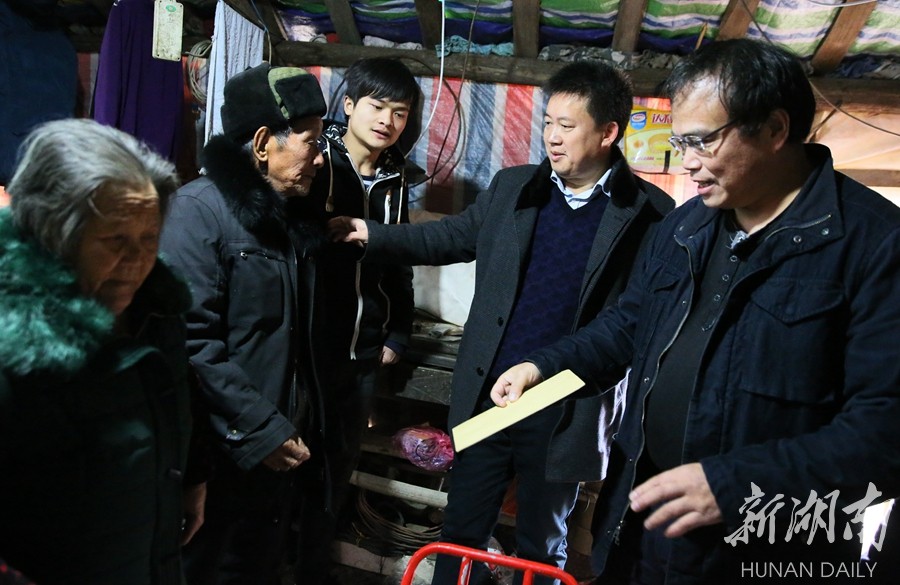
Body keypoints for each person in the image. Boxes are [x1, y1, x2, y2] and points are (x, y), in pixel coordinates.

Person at [491, 39, 900, 584]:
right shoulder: (685, 227)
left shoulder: (874, 245)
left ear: (775, 129)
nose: (687, 162)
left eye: (702, 141)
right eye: (680, 141)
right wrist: (545, 365)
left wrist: (734, 486)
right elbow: (629, 325)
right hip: (643, 525)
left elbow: (884, 430)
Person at [330, 61, 674, 584]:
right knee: (460, 533)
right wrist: (372, 234)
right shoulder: (515, 188)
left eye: (567, 126)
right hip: (490, 395)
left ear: (608, 133)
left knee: (542, 544)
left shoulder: (650, 215)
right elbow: (448, 238)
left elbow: (631, 324)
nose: (551, 137)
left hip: (567, 405)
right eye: (548, 122)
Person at [0, 118, 205, 584]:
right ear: (54, 233)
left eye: (149, 238)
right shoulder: (13, 345)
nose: (137, 262)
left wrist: (192, 474)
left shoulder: (157, 307)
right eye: (115, 241)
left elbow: (173, 396)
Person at [158, 63, 328, 585]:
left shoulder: (288, 217)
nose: (320, 157)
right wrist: (260, 427)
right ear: (261, 144)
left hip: (274, 448)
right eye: (309, 142)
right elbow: (191, 342)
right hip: (220, 453)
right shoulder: (198, 212)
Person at [296, 56, 419, 585]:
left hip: (363, 349)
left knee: (339, 462)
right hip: (308, 345)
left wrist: (398, 330)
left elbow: (400, 259)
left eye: (400, 112)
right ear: (348, 105)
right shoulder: (316, 161)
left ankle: (312, 567)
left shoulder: (396, 178)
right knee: (293, 454)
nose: (387, 121)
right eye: (377, 106)